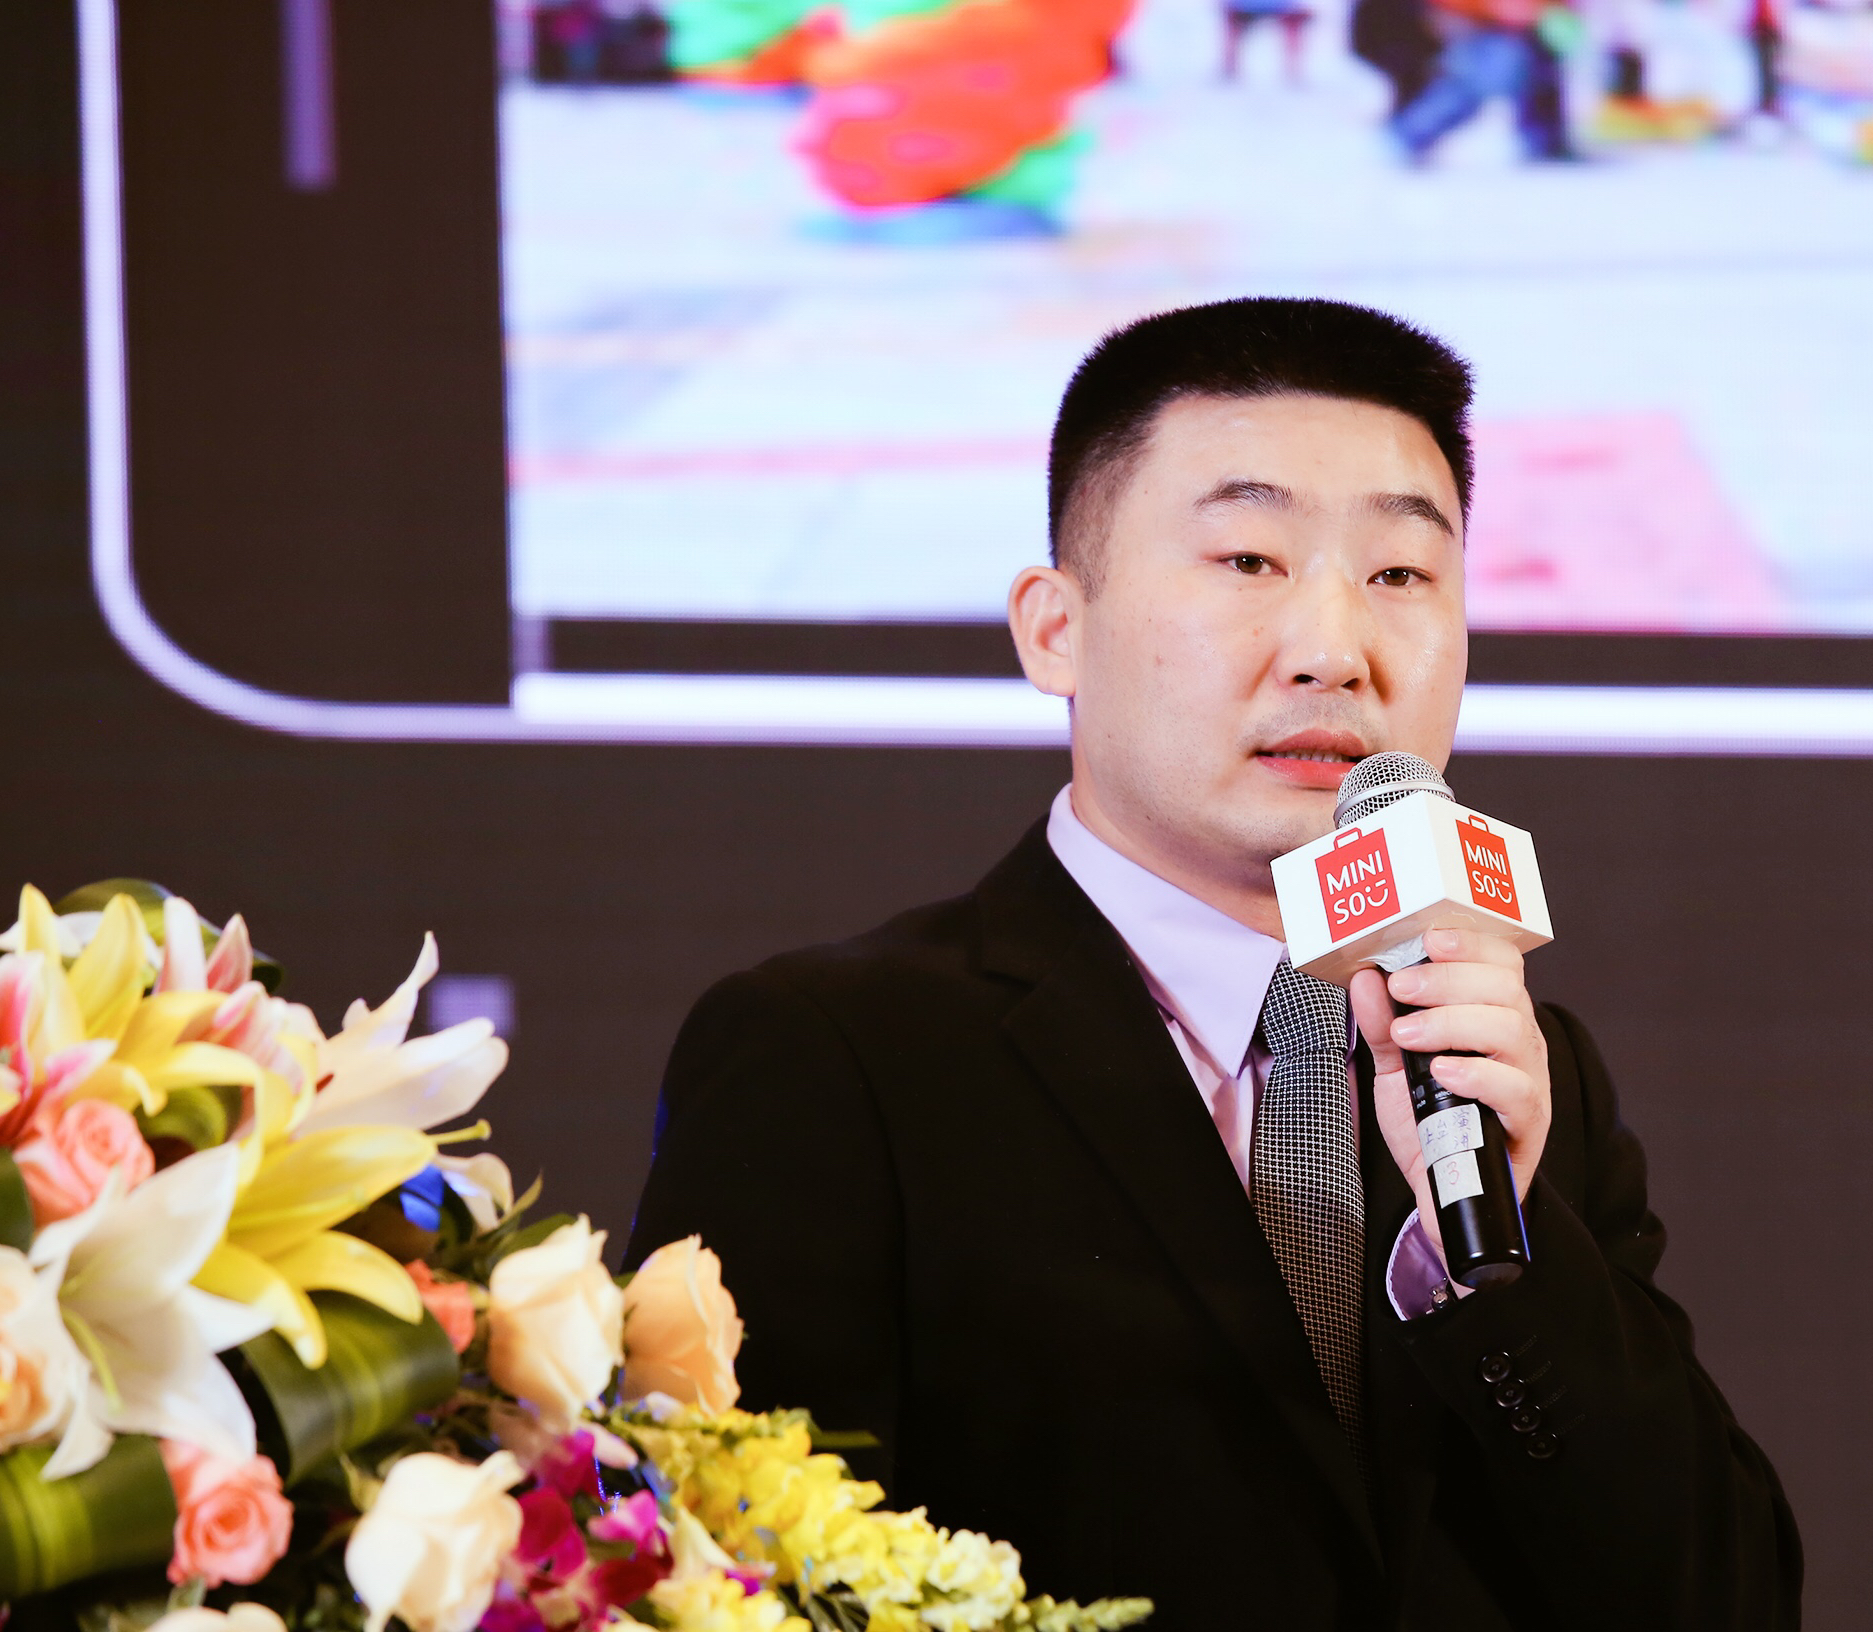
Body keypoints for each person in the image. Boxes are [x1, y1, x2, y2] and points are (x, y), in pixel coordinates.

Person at [626, 298, 1802, 1630]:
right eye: (1249, 560)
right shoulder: (834, 1055)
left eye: (1400, 577)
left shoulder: (1511, 1073)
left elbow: (1730, 1603)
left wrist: (1507, 1264)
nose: (1334, 652)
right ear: (1054, 629)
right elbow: (721, 1581)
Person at [1390, 0, 1578, 162]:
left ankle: (1548, 142)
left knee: (1543, 68)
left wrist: (1550, 14)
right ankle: (1406, 137)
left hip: (1541, 40)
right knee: (1491, 67)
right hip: (1477, 37)